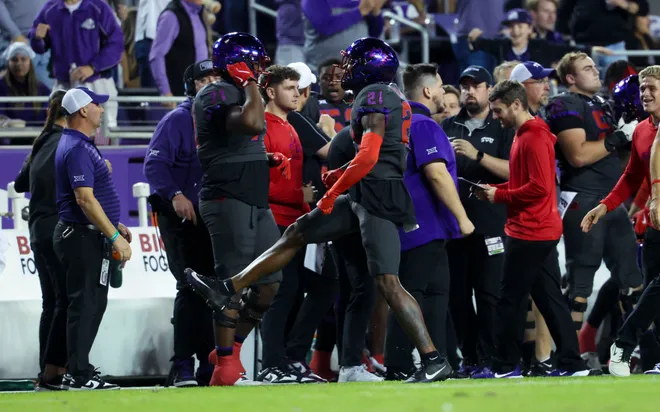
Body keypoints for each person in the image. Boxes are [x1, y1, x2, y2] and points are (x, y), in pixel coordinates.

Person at [187, 37, 454, 383]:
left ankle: (434, 359)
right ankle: (229, 286)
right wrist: (343, 178)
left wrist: (333, 190)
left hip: (378, 195)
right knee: (297, 232)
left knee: (387, 282)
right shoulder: (376, 93)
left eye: (351, 62)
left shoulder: (375, 94)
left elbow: (371, 155)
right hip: (365, 190)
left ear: (368, 66)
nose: (345, 70)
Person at [189, 32, 291, 387]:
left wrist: (263, 159)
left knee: (269, 286)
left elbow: (239, 138)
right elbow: (250, 123)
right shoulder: (214, 92)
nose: (260, 72)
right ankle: (226, 368)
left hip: (252, 197)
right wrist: (248, 83)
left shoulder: (241, 93)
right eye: (256, 65)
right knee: (229, 287)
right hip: (226, 198)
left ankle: (229, 347)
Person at [478, 80, 591, 377]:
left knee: (508, 301)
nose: (495, 117)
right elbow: (522, 182)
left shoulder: (534, 137)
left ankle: (504, 366)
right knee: (550, 299)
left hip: (530, 231)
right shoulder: (524, 134)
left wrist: (499, 196)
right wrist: (495, 188)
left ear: (516, 104)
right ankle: (572, 362)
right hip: (537, 229)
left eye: (498, 110)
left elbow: (540, 188)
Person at [543, 52, 643, 370]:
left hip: (612, 200)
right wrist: (617, 138)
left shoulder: (604, 102)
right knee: (580, 284)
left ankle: (642, 354)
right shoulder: (563, 103)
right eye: (587, 68)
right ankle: (570, 359)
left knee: (633, 280)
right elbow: (577, 155)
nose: (595, 70)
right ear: (570, 78)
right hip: (583, 198)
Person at [384, 63, 475, 380]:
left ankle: (441, 363)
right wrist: (463, 218)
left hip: (424, 228)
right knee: (416, 294)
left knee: (435, 295)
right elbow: (436, 173)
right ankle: (398, 366)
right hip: (421, 227)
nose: (442, 91)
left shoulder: (405, 122)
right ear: (426, 91)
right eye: (438, 86)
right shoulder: (422, 124)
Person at [581, 65, 660, 377]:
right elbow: (631, 177)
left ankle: (623, 343)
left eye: (652, 87)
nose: (645, 93)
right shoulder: (641, 130)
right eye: (642, 88)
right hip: (655, 226)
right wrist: (605, 205)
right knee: (653, 294)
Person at [143, 59, 218, 387]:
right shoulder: (177, 119)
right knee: (190, 285)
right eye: (204, 79)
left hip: (211, 217)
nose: (212, 83)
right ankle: (182, 365)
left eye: (217, 77)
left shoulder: (223, 118)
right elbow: (154, 165)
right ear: (192, 86)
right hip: (180, 216)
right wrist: (174, 194)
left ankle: (208, 365)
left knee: (211, 290)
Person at [53, 86, 132, 390]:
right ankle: (79, 374)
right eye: (97, 105)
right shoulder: (76, 148)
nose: (101, 109)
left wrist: (114, 225)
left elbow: (90, 198)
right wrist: (114, 236)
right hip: (81, 238)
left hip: (88, 236)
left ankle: (80, 369)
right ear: (83, 110)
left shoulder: (78, 144)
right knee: (84, 304)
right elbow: (84, 199)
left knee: (91, 304)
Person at [441, 65, 513, 378]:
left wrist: (477, 156)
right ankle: (469, 359)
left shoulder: (502, 127)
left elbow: (515, 171)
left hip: (492, 224)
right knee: (457, 296)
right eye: (466, 86)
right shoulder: (446, 126)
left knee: (488, 295)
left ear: (489, 89)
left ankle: (491, 360)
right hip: (454, 226)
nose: (471, 91)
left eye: (477, 85)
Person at [254, 64, 323, 384]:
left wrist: (306, 202)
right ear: (270, 92)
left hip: (295, 220)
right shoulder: (261, 127)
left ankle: (285, 360)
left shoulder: (292, 125)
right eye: (289, 88)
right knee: (280, 291)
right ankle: (270, 364)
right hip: (273, 219)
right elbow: (258, 180)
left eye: (298, 88)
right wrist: (299, 194)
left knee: (296, 290)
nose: (297, 93)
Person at [14, 90, 68, 391]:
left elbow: (21, 183)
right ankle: (57, 371)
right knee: (64, 302)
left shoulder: (41, 143)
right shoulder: (65, 143)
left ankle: (46, 371)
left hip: (37, 229)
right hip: (58, 229)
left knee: (51, 303)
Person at [29, 0, 123, 128]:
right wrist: (37, 37)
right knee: (60, 129)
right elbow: (38, 46)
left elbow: (116, 44)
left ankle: (103, 148)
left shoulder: (98, 7)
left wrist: (93, 67)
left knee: (103, 129)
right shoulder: (50, 8)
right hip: (64, 83)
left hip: (97, 82)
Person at [0, 42, 51, 135]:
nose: (19, 64)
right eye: (14, 59)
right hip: (7, 138)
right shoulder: (1, 86)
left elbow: (48, 117)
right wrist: (9, 122)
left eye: (23, 59)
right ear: (8, 63)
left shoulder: (42, 89)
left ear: (30, 62)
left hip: (35, 137)